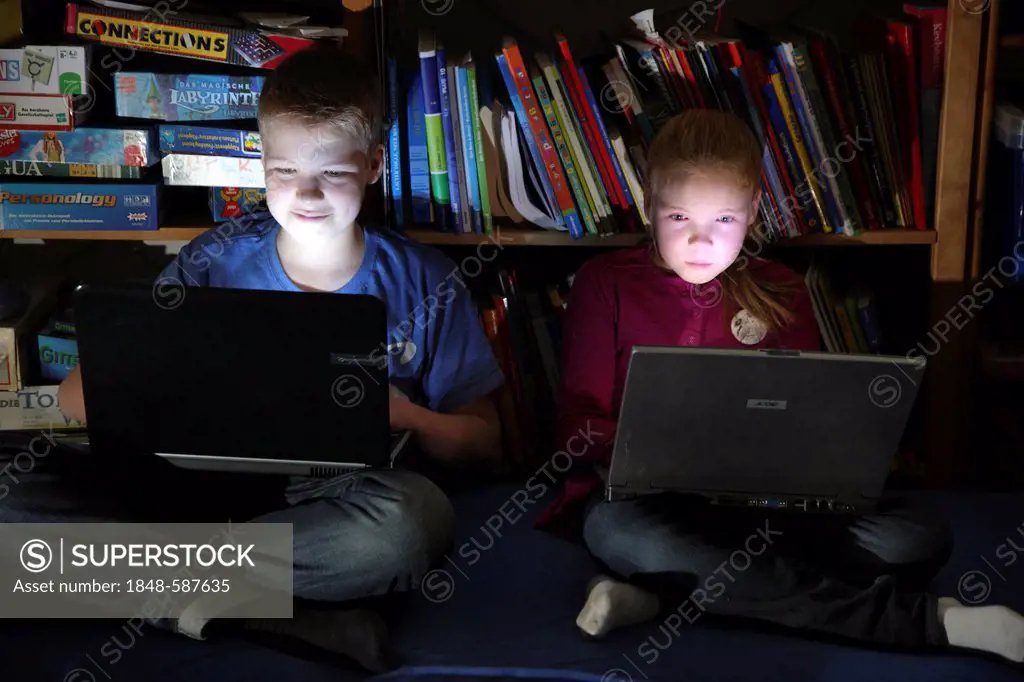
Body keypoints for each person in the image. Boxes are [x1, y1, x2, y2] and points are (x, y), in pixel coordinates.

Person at [0, 44, 504, 673]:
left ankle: (163, 590)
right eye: (284, 170)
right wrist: (140, 384)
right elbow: (80, 397)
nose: (307, 193)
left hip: (325, 505)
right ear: (261, 164)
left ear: (375, 164)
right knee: (7, 502)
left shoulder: (426, 282)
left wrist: (410, 417)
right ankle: (262, 604)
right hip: (188, 485)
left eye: (334, 173)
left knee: (408, 526)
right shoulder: (215, 260)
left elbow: (485, 442)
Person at [542, 109, 1024, 664]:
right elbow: (575, 429)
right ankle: (932, 624)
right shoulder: (606, 285)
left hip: (766, 509)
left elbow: (803, 413)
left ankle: (657, 596)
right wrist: (651, 446)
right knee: (623, 537)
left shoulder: (782, 289)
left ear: (751, 213)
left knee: (916, 535)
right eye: (678, 216)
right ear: (649, 204)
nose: (700, 241)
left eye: (723, 220)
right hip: (648, 507)